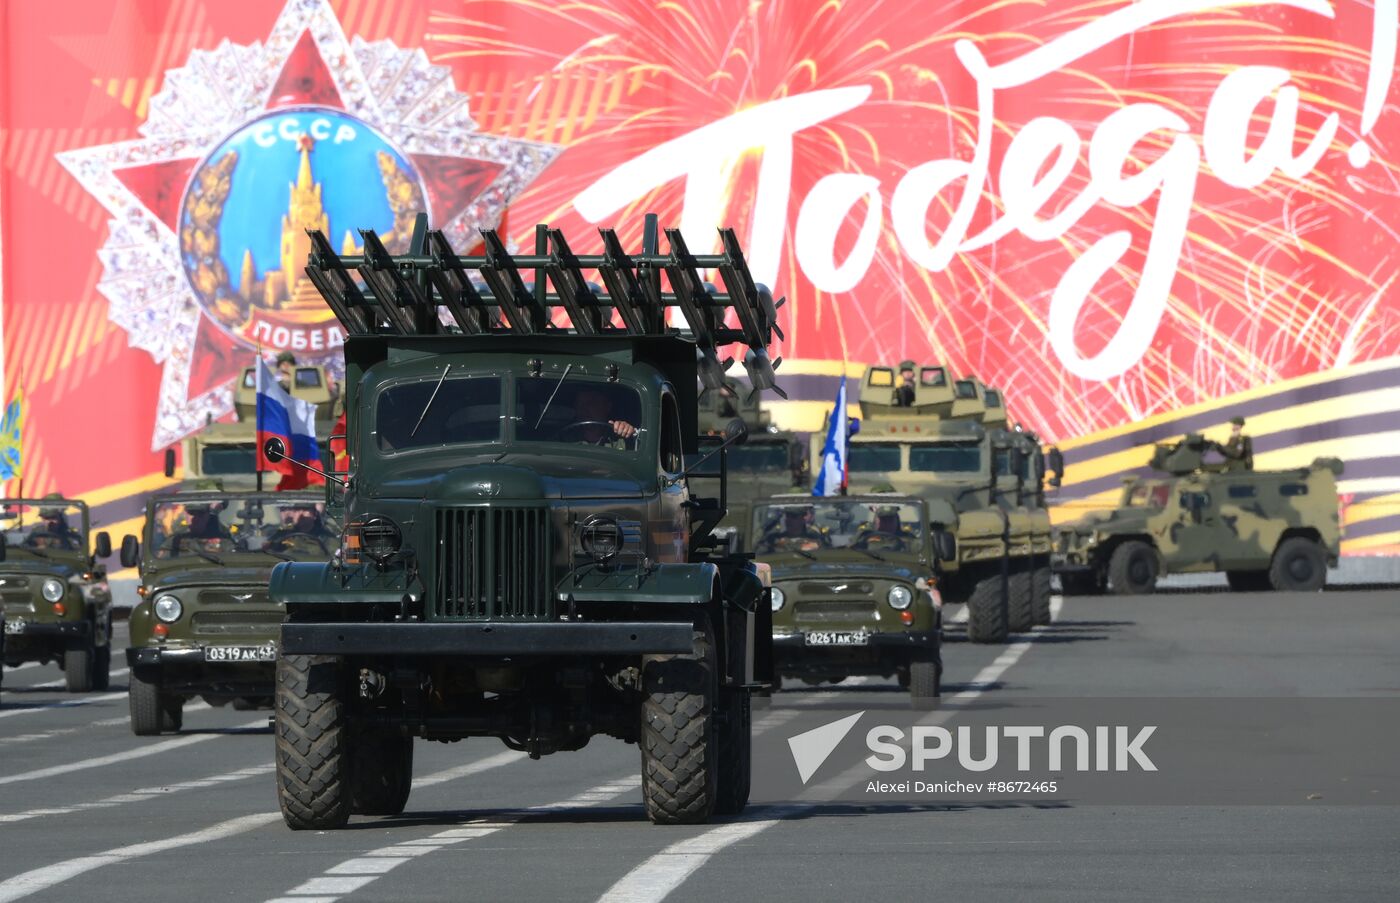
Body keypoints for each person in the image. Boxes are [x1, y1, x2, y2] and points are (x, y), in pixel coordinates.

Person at [571, 386, 638, 448]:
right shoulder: (567, 438)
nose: (583, 409)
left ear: (607, 406)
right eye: (579, 404)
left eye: (591, 403)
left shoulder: (619, 439)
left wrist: (627, 431)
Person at [758, 505, 828, 552]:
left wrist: (814, 547)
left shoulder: (815, 539)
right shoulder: (773, 539)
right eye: (787, 516)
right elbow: (758, 554)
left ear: (802, 519)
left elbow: (826, 555)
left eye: (794, 517)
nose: (789, 520)